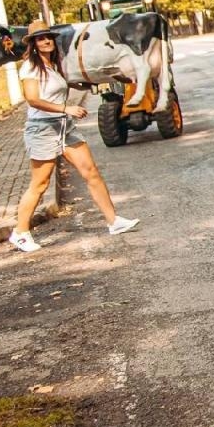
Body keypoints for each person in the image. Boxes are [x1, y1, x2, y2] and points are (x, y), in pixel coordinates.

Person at [9, 19, 140, 252]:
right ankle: (20, 233)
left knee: (91, 172)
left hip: (63, 126)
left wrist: (108, 80)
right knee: (40, 184)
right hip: (42, 128)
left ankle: (114, 221)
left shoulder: (54, 65)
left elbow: (71, 85)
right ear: (34, 44)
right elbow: (33, 99)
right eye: (40, 38)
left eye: (48, 37)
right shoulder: (30, 67)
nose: (46, 40)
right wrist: (65, 108)